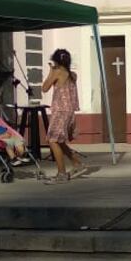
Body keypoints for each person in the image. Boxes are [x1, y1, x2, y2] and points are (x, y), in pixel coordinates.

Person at [42, 49, 85, 184]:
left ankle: (61, 173)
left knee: (53, 140)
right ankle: (76, 162)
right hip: (69, 111)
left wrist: (51, 71)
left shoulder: (57, 72)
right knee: (59, 140)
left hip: (60, 111)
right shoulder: (72, 74)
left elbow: (44, 88)